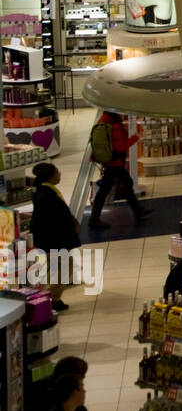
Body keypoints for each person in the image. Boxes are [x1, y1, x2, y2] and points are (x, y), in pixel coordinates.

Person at [30, 163, 80, 311]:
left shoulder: (47, 191)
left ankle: (54, 299)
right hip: (51, 240)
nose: (59, 174)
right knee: (64, 267)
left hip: (52, 240)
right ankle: (47, 300)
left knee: (61, 268)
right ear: (51, 176)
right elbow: (49, 221)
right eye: (57, 172)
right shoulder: (46, 194)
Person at [88, 110, 148, 228]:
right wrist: (135, 138)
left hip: (112, 162)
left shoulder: (105, 121)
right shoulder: (114, 125)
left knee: (123, 184)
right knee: (106, 190)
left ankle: (138, 211)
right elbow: (121, 146)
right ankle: (94, 219)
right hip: (114, 164)